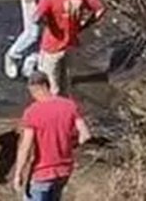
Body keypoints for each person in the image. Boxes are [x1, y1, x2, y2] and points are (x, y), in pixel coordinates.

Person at [11, 69, 91, 201]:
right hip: (64, 170)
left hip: (42, 173)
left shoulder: (32, 112)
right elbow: (86, 135)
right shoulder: (69, 105)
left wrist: (18, 174)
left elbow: (26, 146)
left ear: (33, 89)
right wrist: (69, 145)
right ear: (48, 85)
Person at [31, 0, 105, 96]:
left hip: (52, 46)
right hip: (71, 44)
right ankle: (65, 107)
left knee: (50, 86)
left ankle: (54, 113)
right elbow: (100, 10)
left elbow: (35, 18)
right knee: (65, 82)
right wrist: (83, 26)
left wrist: (48, 24)